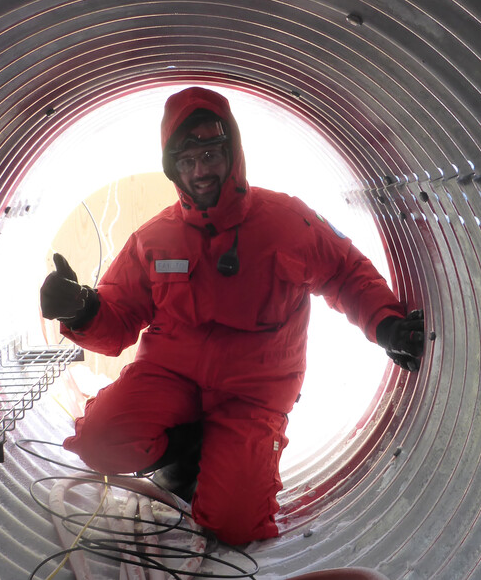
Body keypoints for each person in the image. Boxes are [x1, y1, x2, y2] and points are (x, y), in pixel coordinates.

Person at [40, 86, 425, 545]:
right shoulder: (154, 238)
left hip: (253, 395)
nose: (201, 171)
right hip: (170, 377)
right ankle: (191, 449)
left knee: (236, 527)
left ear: (232, 152)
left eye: (209, 153)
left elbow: (346, 272)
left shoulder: (287, 220)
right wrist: (82, 310)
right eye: (187, 161)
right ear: (173, 169)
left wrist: (387, 325)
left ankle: (231, 458)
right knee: (99, 443)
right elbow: (118, 320)